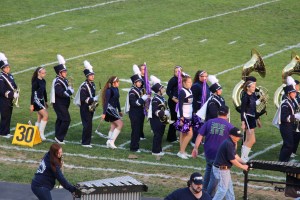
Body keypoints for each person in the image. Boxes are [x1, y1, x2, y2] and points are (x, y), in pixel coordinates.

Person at [192, 106, 233, 196]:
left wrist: (195, 148)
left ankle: (202, 192)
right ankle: (208, 195)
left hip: (209, 153)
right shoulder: (229, 126)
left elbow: (200, 135)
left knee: (208, 173)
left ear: (218, 113)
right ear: (227, 114)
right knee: (214, 178)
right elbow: (233, 141)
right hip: (220, 156)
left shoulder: (209, 122)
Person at [212, 127, 248, 200]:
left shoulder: (231, 142)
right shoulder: (228, 143)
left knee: (229, 189)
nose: (238, 138)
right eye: (237, 136)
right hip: (221, 169)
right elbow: (233, 160)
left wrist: (244, 162)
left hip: (224, 169)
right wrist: (243, 167)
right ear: (231, 135)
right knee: (223, 190)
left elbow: (235, 155)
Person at [50, 55, 74, 144]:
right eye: (64, 71)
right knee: (66, 119)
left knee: (60, 119)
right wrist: (69, 92)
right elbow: (60, 93)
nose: (65, 73)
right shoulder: (57, 81)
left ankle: (57, 136)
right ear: (60, 73)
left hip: (64, 103)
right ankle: (60, 138)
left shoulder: (64, 80)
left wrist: (70, 90)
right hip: (59, 103)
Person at [74, 60, 98, 148]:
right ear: (87, 76)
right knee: (87, 124)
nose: (93, 76)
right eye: (91, 75)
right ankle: (85, 142)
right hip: (85, 108)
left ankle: (86, 139)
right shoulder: (84, 86)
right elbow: (83, 99)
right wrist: (93, 99)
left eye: (93, 75)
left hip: (91, 107)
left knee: (89, 124)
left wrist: (95, 101)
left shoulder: (93, 84)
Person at [275, 85, 300, 161]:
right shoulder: (285, 104)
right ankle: (282, 161)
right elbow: (284, 118)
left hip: (289, 126)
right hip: (285, 126)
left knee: (289, 144)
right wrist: (295, 116)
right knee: (288, 145)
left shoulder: (290, 101)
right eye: (293, 92)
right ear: (288, 94)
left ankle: (284, 160)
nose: (295, 94)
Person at [240, 80, 261, 162]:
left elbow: (255, 108)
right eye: (252, 87)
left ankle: (244, 157)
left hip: (252, 118)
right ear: (247, 88)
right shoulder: (245, 97)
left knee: (248, 140)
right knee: (252, 140)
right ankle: (243, 157)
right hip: (247, 118)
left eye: (254, 87)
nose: (254, 88)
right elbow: (242, 111)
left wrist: (258, 119)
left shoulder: (253, 95)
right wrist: (243, 122)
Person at [127, 73, 148, 152]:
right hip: (135, 113)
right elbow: (134, 103)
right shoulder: (132, 92)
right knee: (135, 130)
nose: (140, 83)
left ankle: (136, 145)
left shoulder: (140, 90)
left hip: (140, 112)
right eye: (138, 82)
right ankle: (134, 147)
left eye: (140, 82)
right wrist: (143, 99)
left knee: (139, 130)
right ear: (134, 83)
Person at [148, 75, 169, 156]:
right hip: (156, 120)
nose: (164, 89)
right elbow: (155, 111)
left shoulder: (162, 98)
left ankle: (159, 149)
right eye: (162, 88)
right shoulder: (155, 99)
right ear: (158, 91)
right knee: (157, 135)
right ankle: (155, 151)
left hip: (162, 119)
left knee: (161, 134)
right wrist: (164, 113)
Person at [174, 73, 193, 159]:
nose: (190, 83)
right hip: (184, 116)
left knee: (183, 133)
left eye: (191, 82)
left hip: (188, 115)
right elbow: (180, 105)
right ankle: (181, 151)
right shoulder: (182, 92)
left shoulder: (189, 90)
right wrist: (181, 117)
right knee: (190, 134)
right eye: (188, 82)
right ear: (184, 83)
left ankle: (182, 151)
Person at [0, 52, 19, 138]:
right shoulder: (1, 77)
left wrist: (16, 91)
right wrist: (12, 94)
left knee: (9, 115)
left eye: (8, 67)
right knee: (5, 115)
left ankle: (6, 131)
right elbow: (2, 90)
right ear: (2, 68)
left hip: (10, 99)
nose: (8, 68)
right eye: (6, 67)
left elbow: (13, 85)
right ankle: (3, 132)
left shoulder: (10, 76)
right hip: (4, 99)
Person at [101, 76, 123, 149]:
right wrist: (104, 113)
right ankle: (111, 141)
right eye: (117, 81)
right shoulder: (109, 91)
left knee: (113, 125)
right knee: (120, 124)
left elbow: (117, 101)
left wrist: (119, 110)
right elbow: (106, 102)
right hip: (109, 110)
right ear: (114, 83)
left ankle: (108, 142)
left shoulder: (116, 89)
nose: (118, 83)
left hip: (114, 109)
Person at [191, 70, 210, 145]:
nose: (205, 78)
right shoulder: (196, 86)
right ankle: (194, 140)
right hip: (198, 108)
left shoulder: (205, 84)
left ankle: (200, 139)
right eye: (203, 76)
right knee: (196, 124)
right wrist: (195, 110)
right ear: (199, 77)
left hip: (204, 107)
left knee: (202, 124)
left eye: (206, 76)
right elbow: (194, 99)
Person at [30, 67, 48, 141]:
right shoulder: (35, 81)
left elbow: (44, 92)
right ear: (39, 73)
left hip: (41, 100)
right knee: (46, 116)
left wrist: (46, 101)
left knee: (40, 117)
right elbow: (32, 93)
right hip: (36, 100)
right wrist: (31, 104)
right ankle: (41, 133)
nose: (44, 74)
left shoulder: (43, 81)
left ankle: (36, 132)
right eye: (43, 73)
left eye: (45, 73)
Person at [166, 66, 182, 143]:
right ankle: (171, 137)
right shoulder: (173, 80)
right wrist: (174, 99)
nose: (177, 73)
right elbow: (167, 91)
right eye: (176, 71)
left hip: (180, 102)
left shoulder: (182, 79)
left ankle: (175, 136)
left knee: (178, 119)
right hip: (173, 102)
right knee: (174, 119)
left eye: (179, 71)